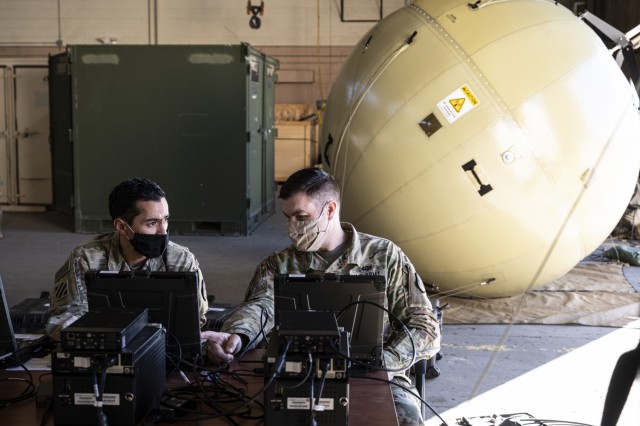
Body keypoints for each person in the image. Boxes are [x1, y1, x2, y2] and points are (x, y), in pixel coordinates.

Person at [201, 167, 441, 426]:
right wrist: (238, 335)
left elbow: (425, 327)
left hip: (373, 375)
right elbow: (260, 308)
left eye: (301, 216)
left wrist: (383, 362)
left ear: (329, 210)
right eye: (288, 217)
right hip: (295, 372)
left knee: (405, 418)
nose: (291, 227)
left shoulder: (385, 256)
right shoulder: (278, 265)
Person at [46, 178, 209, 340]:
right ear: (122, 226)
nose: (163, 231)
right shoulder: (86, 258)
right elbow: (67, 322)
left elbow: (194, 322)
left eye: (165, 219)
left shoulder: (181, 259)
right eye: (152, 223)